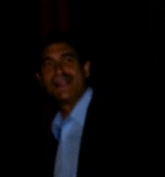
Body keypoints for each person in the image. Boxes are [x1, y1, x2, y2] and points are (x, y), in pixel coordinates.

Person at [33, 31, 131, 177]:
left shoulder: (120, 118)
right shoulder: (48, 136)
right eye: (48, 64)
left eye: (67, 60)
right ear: (40, 79)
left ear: (86, 69)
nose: (58, 70)